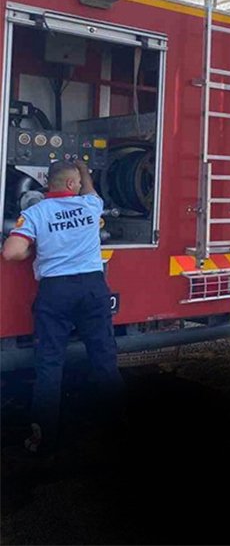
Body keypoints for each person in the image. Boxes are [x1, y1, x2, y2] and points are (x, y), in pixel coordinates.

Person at [1, 159, 123, 454]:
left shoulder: (35, 213)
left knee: (50, 365)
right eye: (78, 182)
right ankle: (118, 429)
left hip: (56, 292)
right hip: (93, 289)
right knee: (105, 361)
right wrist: (83, 170)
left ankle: (43, 438)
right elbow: (93, 193)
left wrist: (34, 246)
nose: (81, 185)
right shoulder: (90, 207)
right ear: (72, 185)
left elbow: (11, 253)